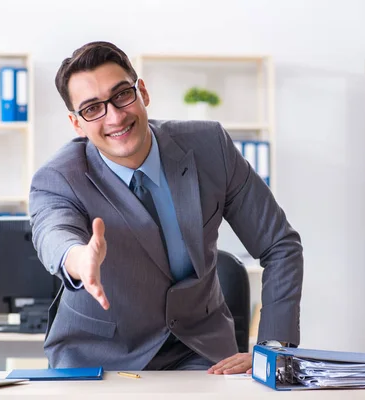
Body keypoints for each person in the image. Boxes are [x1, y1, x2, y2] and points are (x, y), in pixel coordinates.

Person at [29, 41, 303, 374]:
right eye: (92, 109)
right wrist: (78, 258)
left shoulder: (209, 146)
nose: (114, 116)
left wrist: (272, 349)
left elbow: (279, 245)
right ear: (77, 124)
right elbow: (53, 231)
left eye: (121, 95)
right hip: (98, 357)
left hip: (199, 353)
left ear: (142, 92)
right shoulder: (59, 177)